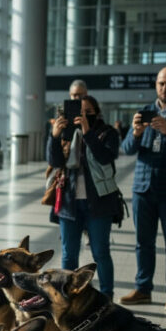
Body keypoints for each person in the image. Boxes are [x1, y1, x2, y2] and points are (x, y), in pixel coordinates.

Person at [120, 65, 166, 311]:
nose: (164, 88)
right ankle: (143, 288)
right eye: (160, 83)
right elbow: (127, 149)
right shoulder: (144, 112)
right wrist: (135, 133)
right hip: (143, 189)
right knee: (142, 242)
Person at [47, 95, 119, 297]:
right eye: (79, 112)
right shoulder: (64, 133)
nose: (82, 116)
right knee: (69, 256)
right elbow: (54, 161)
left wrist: (87, 132)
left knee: (101, 253)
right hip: (69, 204)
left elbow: (106, 158)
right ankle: (67, 296)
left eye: (88, 112)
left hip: (99, 203)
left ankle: (107, 297)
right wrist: (54, 137)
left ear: (96, 112)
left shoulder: (107, 132)